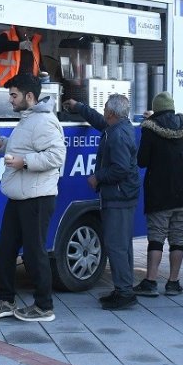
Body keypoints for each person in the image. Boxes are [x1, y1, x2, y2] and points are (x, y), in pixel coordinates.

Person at [0, 74, 67, 322]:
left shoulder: (43, 121)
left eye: (13, 95)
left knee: (34, 253)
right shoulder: (29, 119)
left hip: (37, 198)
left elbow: (56, 156)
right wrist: (2, 144)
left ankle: (44, 306)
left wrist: (24, 162)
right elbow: (24, 148)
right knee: (4, 251)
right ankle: (6, 300)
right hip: (20, 196)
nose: (10, 100)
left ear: (29, 97)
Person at [64, 94, 140, 310]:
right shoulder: (118, 127)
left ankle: (124, 293)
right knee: (122, 245)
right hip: (123, 195)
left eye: (105, 107)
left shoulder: (117, 135)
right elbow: (99, 121)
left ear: (112, 113)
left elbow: (120, 169)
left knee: (116, 245)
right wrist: (79, 107)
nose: (104, 110)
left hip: (118, 196)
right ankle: (123, 289)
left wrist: (98, 177)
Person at [133, 92, 183, 298]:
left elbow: (142, 160)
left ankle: (151, 281)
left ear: (156, 108)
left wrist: (148, 122)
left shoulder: (149, 129)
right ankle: (173, 283)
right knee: (178, 237)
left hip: (160, 190)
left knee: (156, 237)